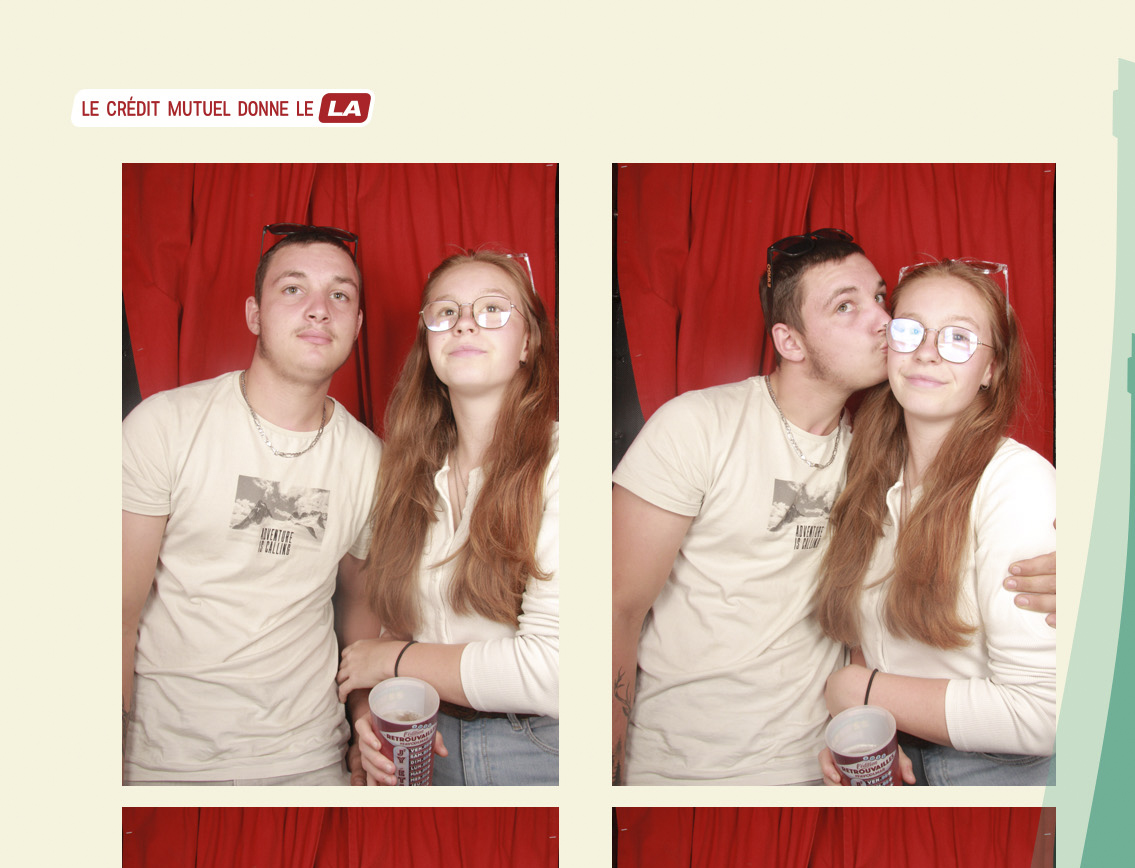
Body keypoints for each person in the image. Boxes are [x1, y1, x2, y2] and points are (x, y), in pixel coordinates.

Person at [611, 229, 1056, 786]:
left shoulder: (899, 463)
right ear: (790, 341)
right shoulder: (711, 428)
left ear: (990, 368)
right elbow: (614, 607)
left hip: (856, 765)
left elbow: (1038, 701)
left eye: (880, 299)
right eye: (846, 306)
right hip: (689, 769)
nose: (882, 322)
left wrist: (855, 696)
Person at [123, 225, 384, 785]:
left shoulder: (370, 460)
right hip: (165, 759)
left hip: (310, 758)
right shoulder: (165, 426)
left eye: (340, 295)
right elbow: (113, 618)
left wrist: (365, 719)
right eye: (293, 289)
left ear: (357, 325)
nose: (319, 309)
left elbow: (361, 611)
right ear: (254, 314)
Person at [816, 262, 1055, 786]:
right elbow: (874, 637)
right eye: (910, 330)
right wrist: (863, 725)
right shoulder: (871, 472)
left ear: (991, 370)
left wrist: (857, 690)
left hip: (993, 770)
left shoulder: (1016, 482)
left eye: (959, 338)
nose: (927, 352)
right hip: (900, 751)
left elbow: (1042, 716)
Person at [340, 250, 559, 787]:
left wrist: (392, 661)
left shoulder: (562, 463)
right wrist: (367, 715)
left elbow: (555, 673)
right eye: (445, 312)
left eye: (492, 309)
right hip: (425, 736)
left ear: (527, 344)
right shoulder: (406, 472)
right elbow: (388, 627)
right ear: (428, 345)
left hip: (538, 749)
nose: (464, 322)